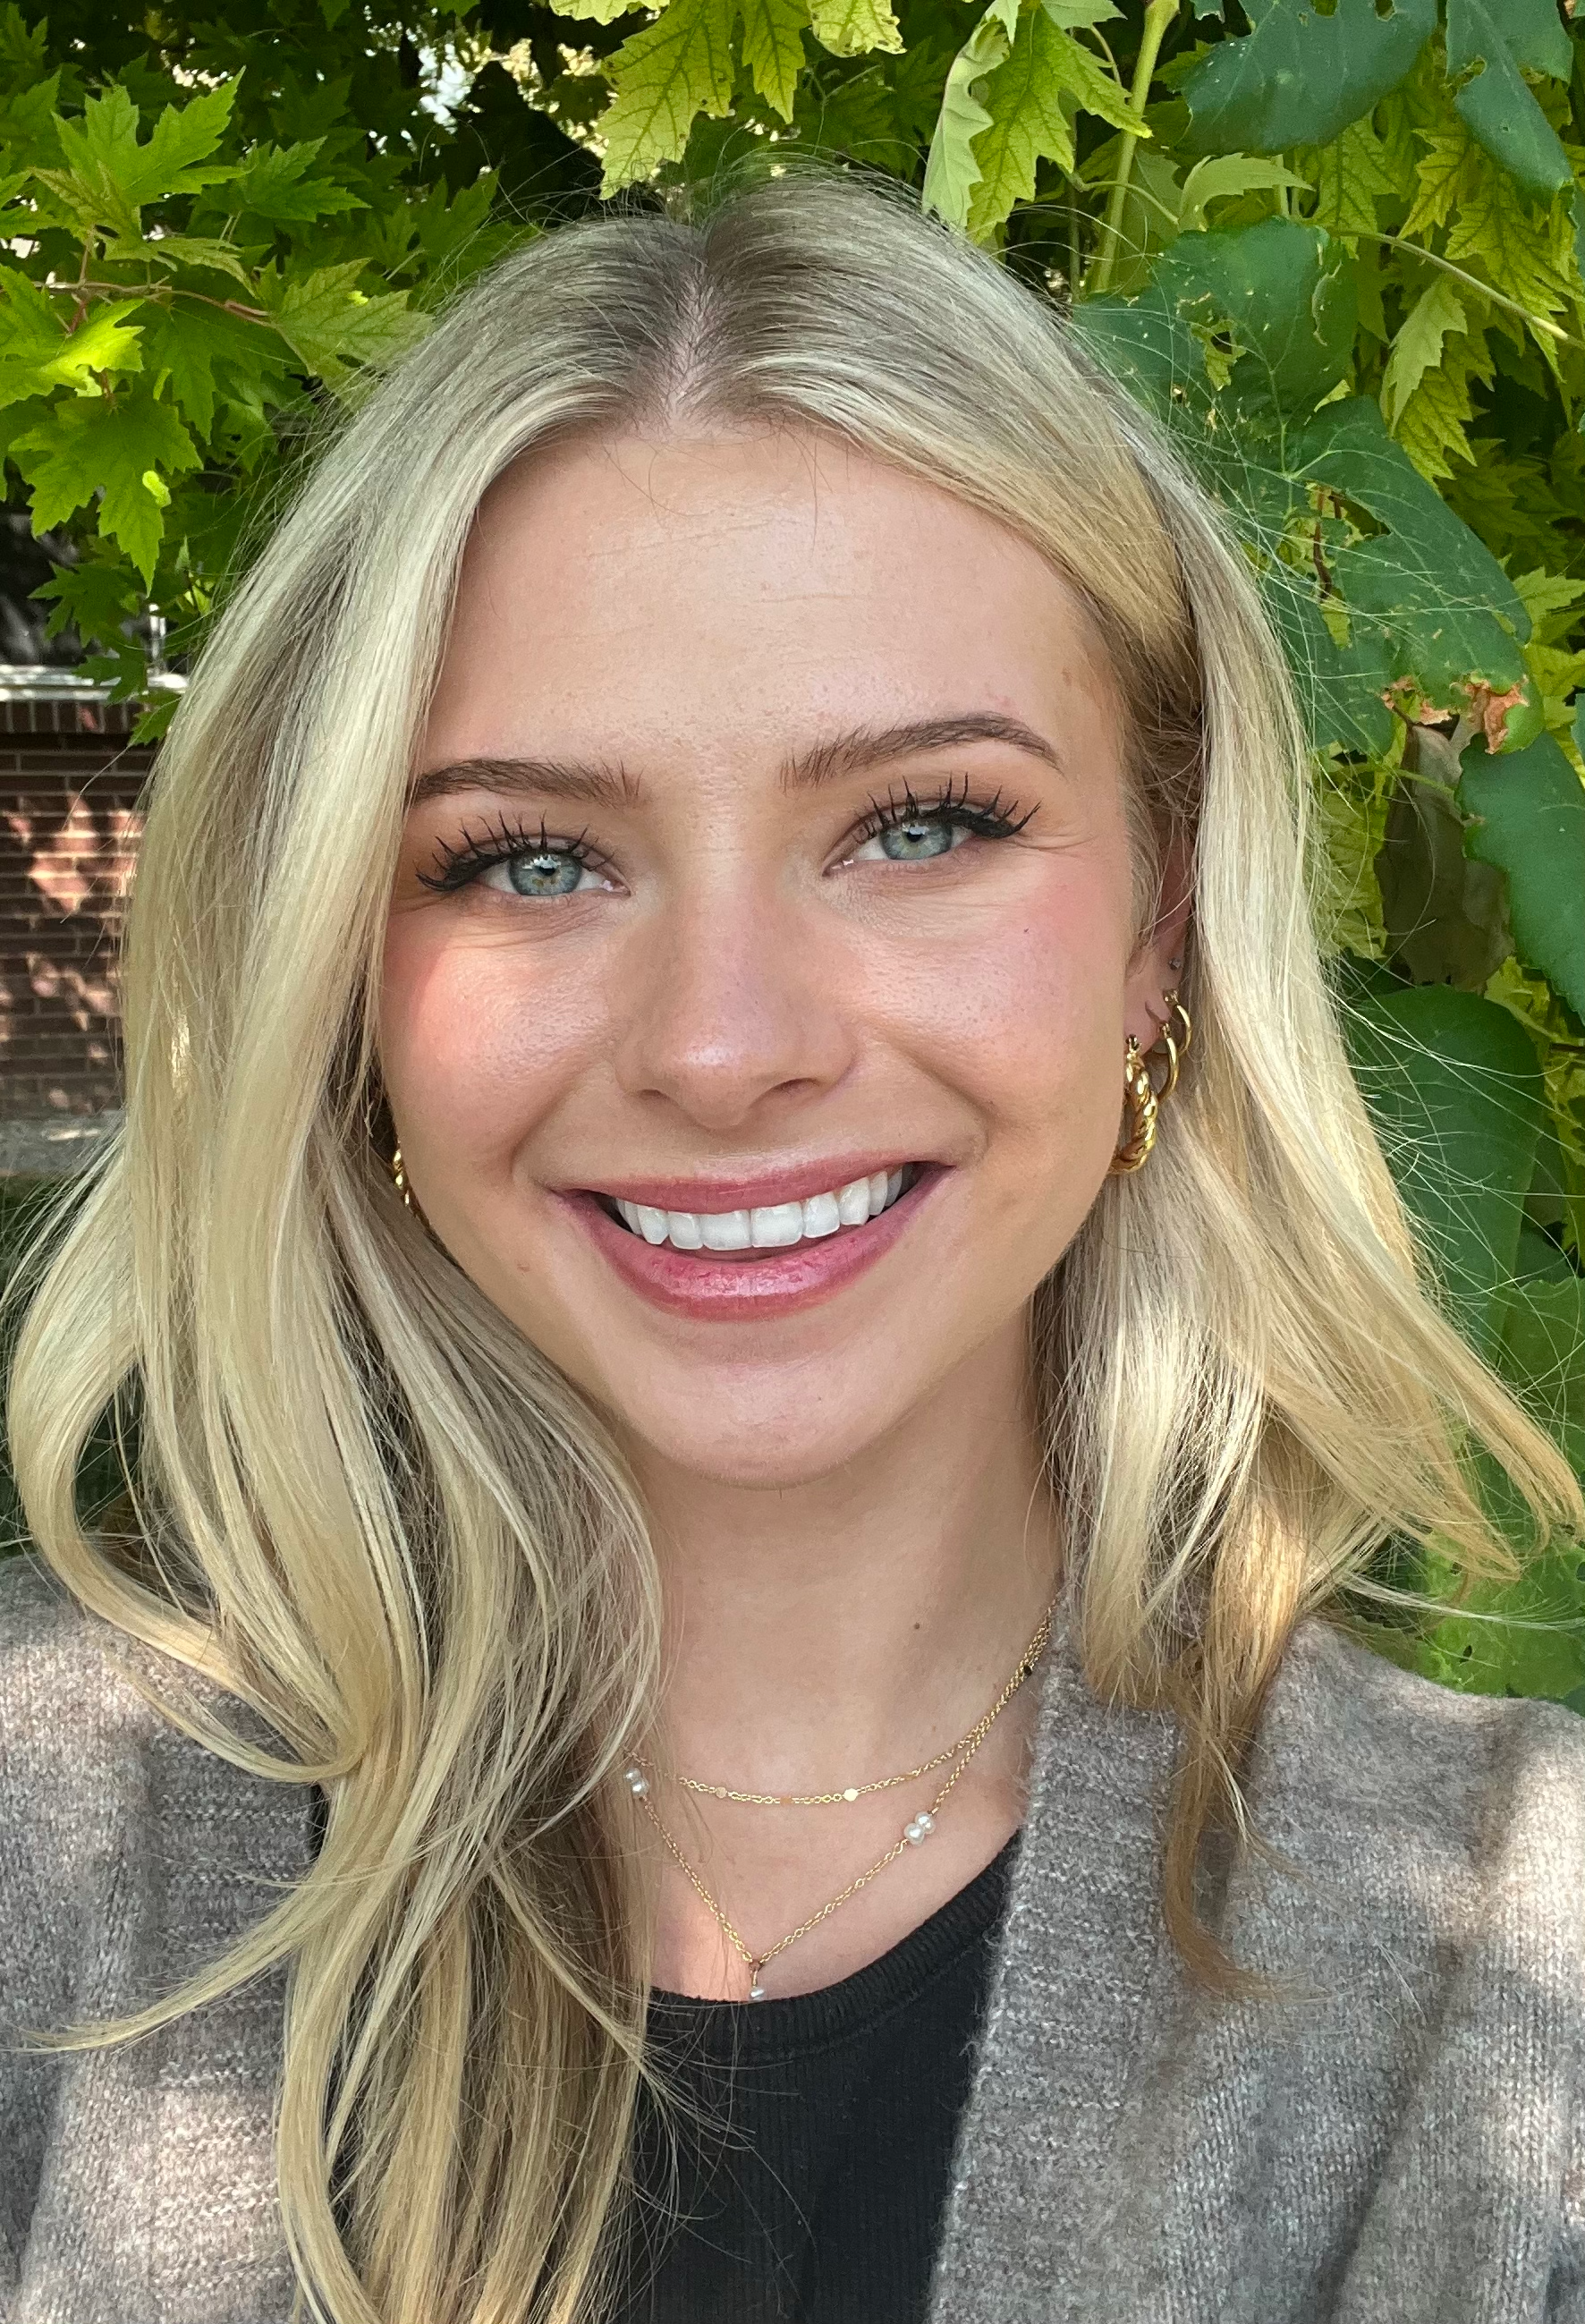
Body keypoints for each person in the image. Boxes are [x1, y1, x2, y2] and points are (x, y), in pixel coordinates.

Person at [2, 164, 1583, 2324]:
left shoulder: (1515, 1966)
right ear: (343, 977)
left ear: (1159, 927)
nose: (723, 1046)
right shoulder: (44, 1857)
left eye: (920, 825)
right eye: (531, 856)